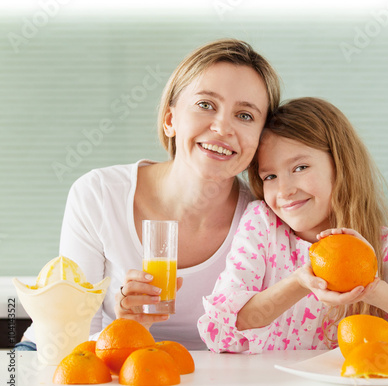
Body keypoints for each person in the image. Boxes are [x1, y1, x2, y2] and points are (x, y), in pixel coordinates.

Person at [17, 38, 281, 351]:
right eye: (206, 105)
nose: (222, 127)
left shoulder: (266, 221)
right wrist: (126, 324)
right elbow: (75, 339)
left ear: (261, 139)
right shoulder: (100, 195)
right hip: (78, 356)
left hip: (192, 374)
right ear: (171, 120)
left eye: (246, 116)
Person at [197, 97, 388, 353]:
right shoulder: (263, 226)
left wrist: (372, 288)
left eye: (300, 168)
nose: (285, 190)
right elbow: (220, 331)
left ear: (340, 166)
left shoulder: (381, 246)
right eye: (269, 176)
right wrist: (300, 282)